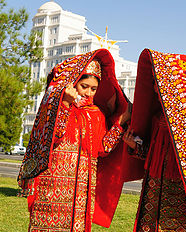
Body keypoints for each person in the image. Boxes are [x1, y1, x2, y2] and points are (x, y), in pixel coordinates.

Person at [18, 49, 130, 232]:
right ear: (73, 84)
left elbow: (103, 148)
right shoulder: (55, 107)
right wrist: (65, 104)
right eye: (84, 86)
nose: (88, 93)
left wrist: (120, 123)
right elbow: (53, 137)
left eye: (93, 89)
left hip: (82, 190)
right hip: (53, 184)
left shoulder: (95, 114)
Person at [123, 49, 186, 232]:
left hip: (181, 192)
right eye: (155, 83)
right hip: (154, 190)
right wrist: (135, 146)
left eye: (160, 83)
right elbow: (151, 152)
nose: (155, 87)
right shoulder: (157, 118)